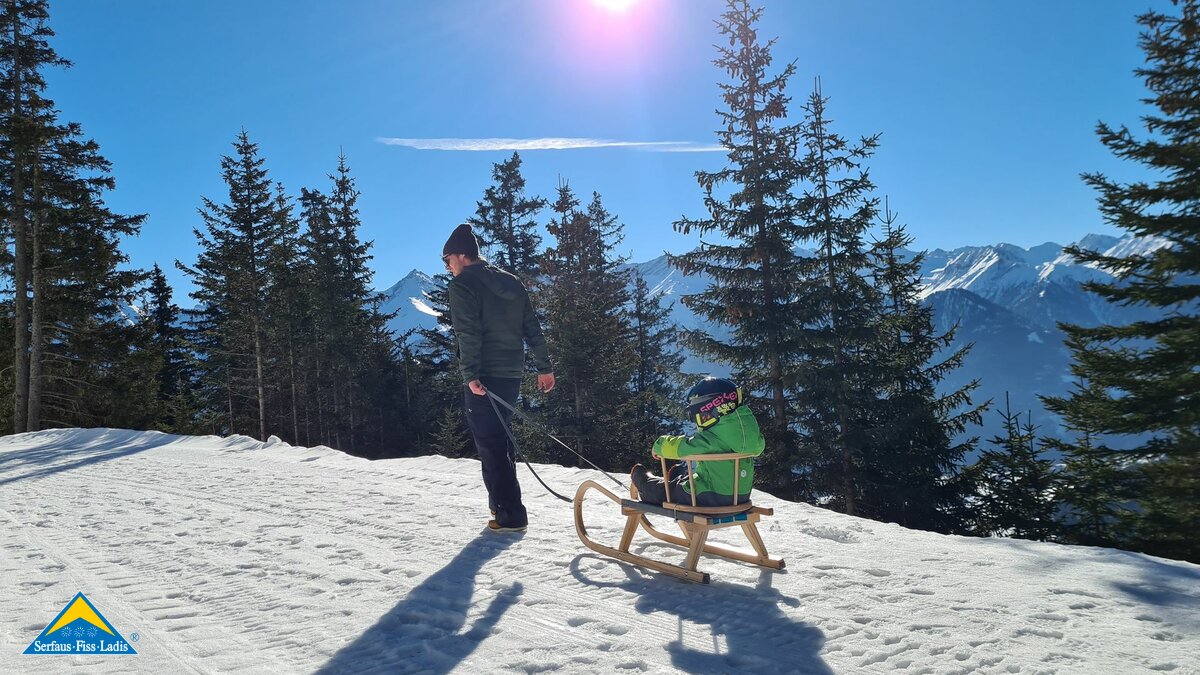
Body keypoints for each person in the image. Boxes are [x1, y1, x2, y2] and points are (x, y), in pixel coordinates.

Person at [443, 223, 555, 533]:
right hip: (510, 374)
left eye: (447, 259)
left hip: (483, 377)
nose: (448, 267)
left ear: (462, 256)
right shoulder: (512, 282)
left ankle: (509, 514)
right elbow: (532, 326)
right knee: (501, 439)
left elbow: (468, 333)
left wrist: (471, 375)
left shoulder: (463, 285)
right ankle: (503, 506)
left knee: (491, 444)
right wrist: (544, 367)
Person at [631, 377, 764, 507]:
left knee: (664, 492)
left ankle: (644, 482)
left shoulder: (712, 438)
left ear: (712, 410)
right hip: (740, 497)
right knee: (694, 481)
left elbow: (682, 447)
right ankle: (678, 480)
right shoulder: (750, 437)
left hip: (709, 497)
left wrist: (660, 445)